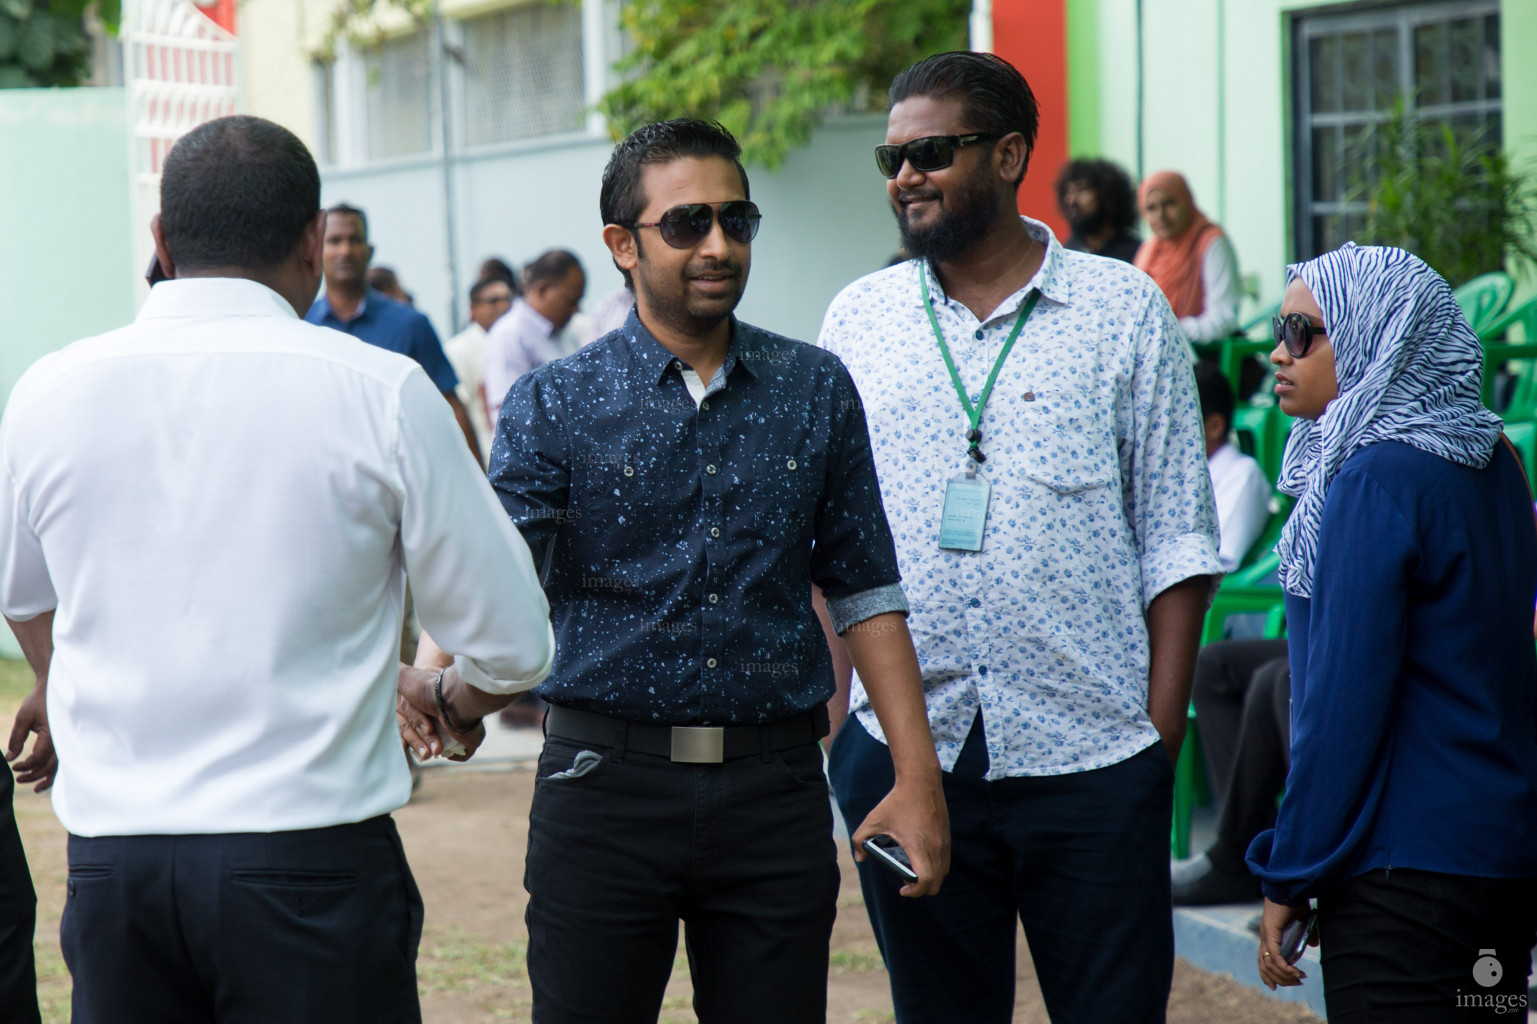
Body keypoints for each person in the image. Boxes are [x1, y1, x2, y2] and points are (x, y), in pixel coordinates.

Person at [0, 115, 555, 1023]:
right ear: (311, 243)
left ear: (161, 242)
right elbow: (515, 644)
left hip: (117, 872)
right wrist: (444, 702)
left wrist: (77, 689)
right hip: (311, 868)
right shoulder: (381, 390)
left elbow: (23, 596)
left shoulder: (48, 392)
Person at [450, 117, 950, 1024]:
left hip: (775, 795)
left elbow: (866, 590)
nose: (719, 245)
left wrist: (914, 781)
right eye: (686, 224)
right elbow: (499, 590)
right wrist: (450, 694)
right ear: (622, 245)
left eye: (737, 219)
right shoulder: (554, 403)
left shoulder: (816, 389)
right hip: (601, 790)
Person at [818, 52, 1221, 1023]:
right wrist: (845, 744)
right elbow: (830, 547)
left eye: (929, 152)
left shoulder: (1123, 309)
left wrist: (1151, 757)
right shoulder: (856, 320)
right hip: (910, 759)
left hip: (1094, 763)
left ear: (1007, 154)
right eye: (890, 157)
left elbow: (1176, 539)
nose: (903, 175)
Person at [1248, 244, 1537, 1019]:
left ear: (1381, 333)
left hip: (1402, 879)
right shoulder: (1494, 456)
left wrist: (1291, 871)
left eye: (1304, 332)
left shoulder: (1377, 476)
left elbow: (1340, 709)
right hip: (1499, 864)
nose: (1278, 349)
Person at [306, 203, 482, 462]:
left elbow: (450, 407)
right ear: (317, 250)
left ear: (369, 251)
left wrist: (480, 483)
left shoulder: (410, 324)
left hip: (400, 474)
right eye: (334, 241)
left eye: (354, 240)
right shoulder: (302, 326)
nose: (345, 250)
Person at [1171, 638, 1289, 906]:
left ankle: (1297, 871)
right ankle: (1244, 854)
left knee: (1281, 679)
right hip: (1315, 632)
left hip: (1364, 640)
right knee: (1212, 665)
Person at [481, 249, 586, 424]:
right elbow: (511, 414)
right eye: (570, 301)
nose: (576, 309)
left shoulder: (565, 332)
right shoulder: (510, 335)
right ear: (542, 290)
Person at [1135, 171, 1241, 343]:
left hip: (1206, 355)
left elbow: (1223, 319)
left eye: (1169, 203)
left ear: (1187, 201)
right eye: (1151, 208)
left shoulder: (1211, 243)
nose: (1160, 215)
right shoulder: (1148, 251)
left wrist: (1170, 328)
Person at [1194, 361, 1272, 570]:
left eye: (1177, 421)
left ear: (1214, 426)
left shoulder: (1243, 474)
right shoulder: (1184, 478)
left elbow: (1215, 561)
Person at [445, 275, 515, 463]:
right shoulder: (458, 349)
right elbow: (458, 408)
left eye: (508, 299)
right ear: (473, 309)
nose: (503, 306)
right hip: (483, 455)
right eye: (493, 301)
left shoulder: (517, 343)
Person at [1055, 157, 1140, 263]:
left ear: (1107, 194)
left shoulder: (1138, 255)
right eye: (1068, 192)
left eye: (1081, 189)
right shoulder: (1067, 251)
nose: (1071, 201)